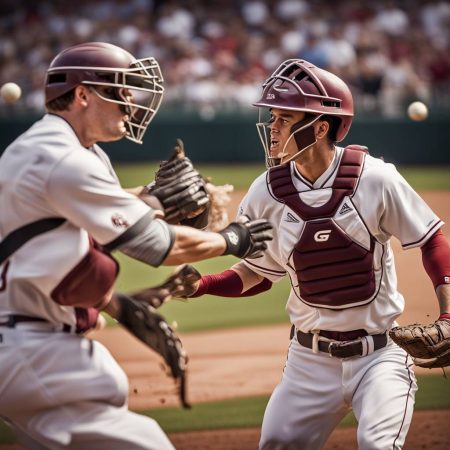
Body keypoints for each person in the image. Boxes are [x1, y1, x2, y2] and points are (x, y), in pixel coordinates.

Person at [0, 42, 272, 450]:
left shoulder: (51, 149)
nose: (130, 104)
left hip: (26, 346)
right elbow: (157, 246)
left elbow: (68, 229)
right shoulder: (63, 158)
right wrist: (234, 239)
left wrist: (119, 303)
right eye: (121, 91)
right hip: (37, 353)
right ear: (82, 95)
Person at [181, 59, 450, 449]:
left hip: (380, 356)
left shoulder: (375, 177)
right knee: (275, 443)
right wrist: (202, 285)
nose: (272, 128)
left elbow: (432, 241)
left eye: (283, 118)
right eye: (272, 118)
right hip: (309, 362)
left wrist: (448, 314)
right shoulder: (265, 192)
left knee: (379, 445)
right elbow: (257, 274)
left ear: (319, 127)